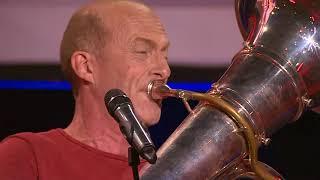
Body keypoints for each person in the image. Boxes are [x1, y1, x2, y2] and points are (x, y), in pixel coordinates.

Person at [0, 0, 171, 179]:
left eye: (165, 55)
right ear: (86, 67)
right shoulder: (27, 155)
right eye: (142, 51)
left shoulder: (174, 170)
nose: (165, 70)